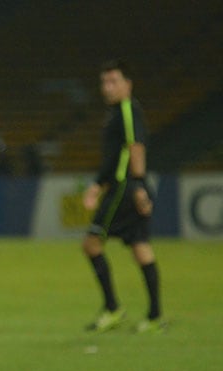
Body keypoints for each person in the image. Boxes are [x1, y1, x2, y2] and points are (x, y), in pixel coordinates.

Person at [82, 59, 163, 333]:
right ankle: (154, 316)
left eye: (114, 81)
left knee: (92, 244)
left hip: (125, 189)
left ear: (128, 84)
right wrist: (96, 184)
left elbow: (135, 147)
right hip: (123, 186)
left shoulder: (127, 110)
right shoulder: (118, 112)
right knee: (140, 247)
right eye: (104, 82)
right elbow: (116, 157)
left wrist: (138, 185)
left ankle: (113, 308)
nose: (108, 87)